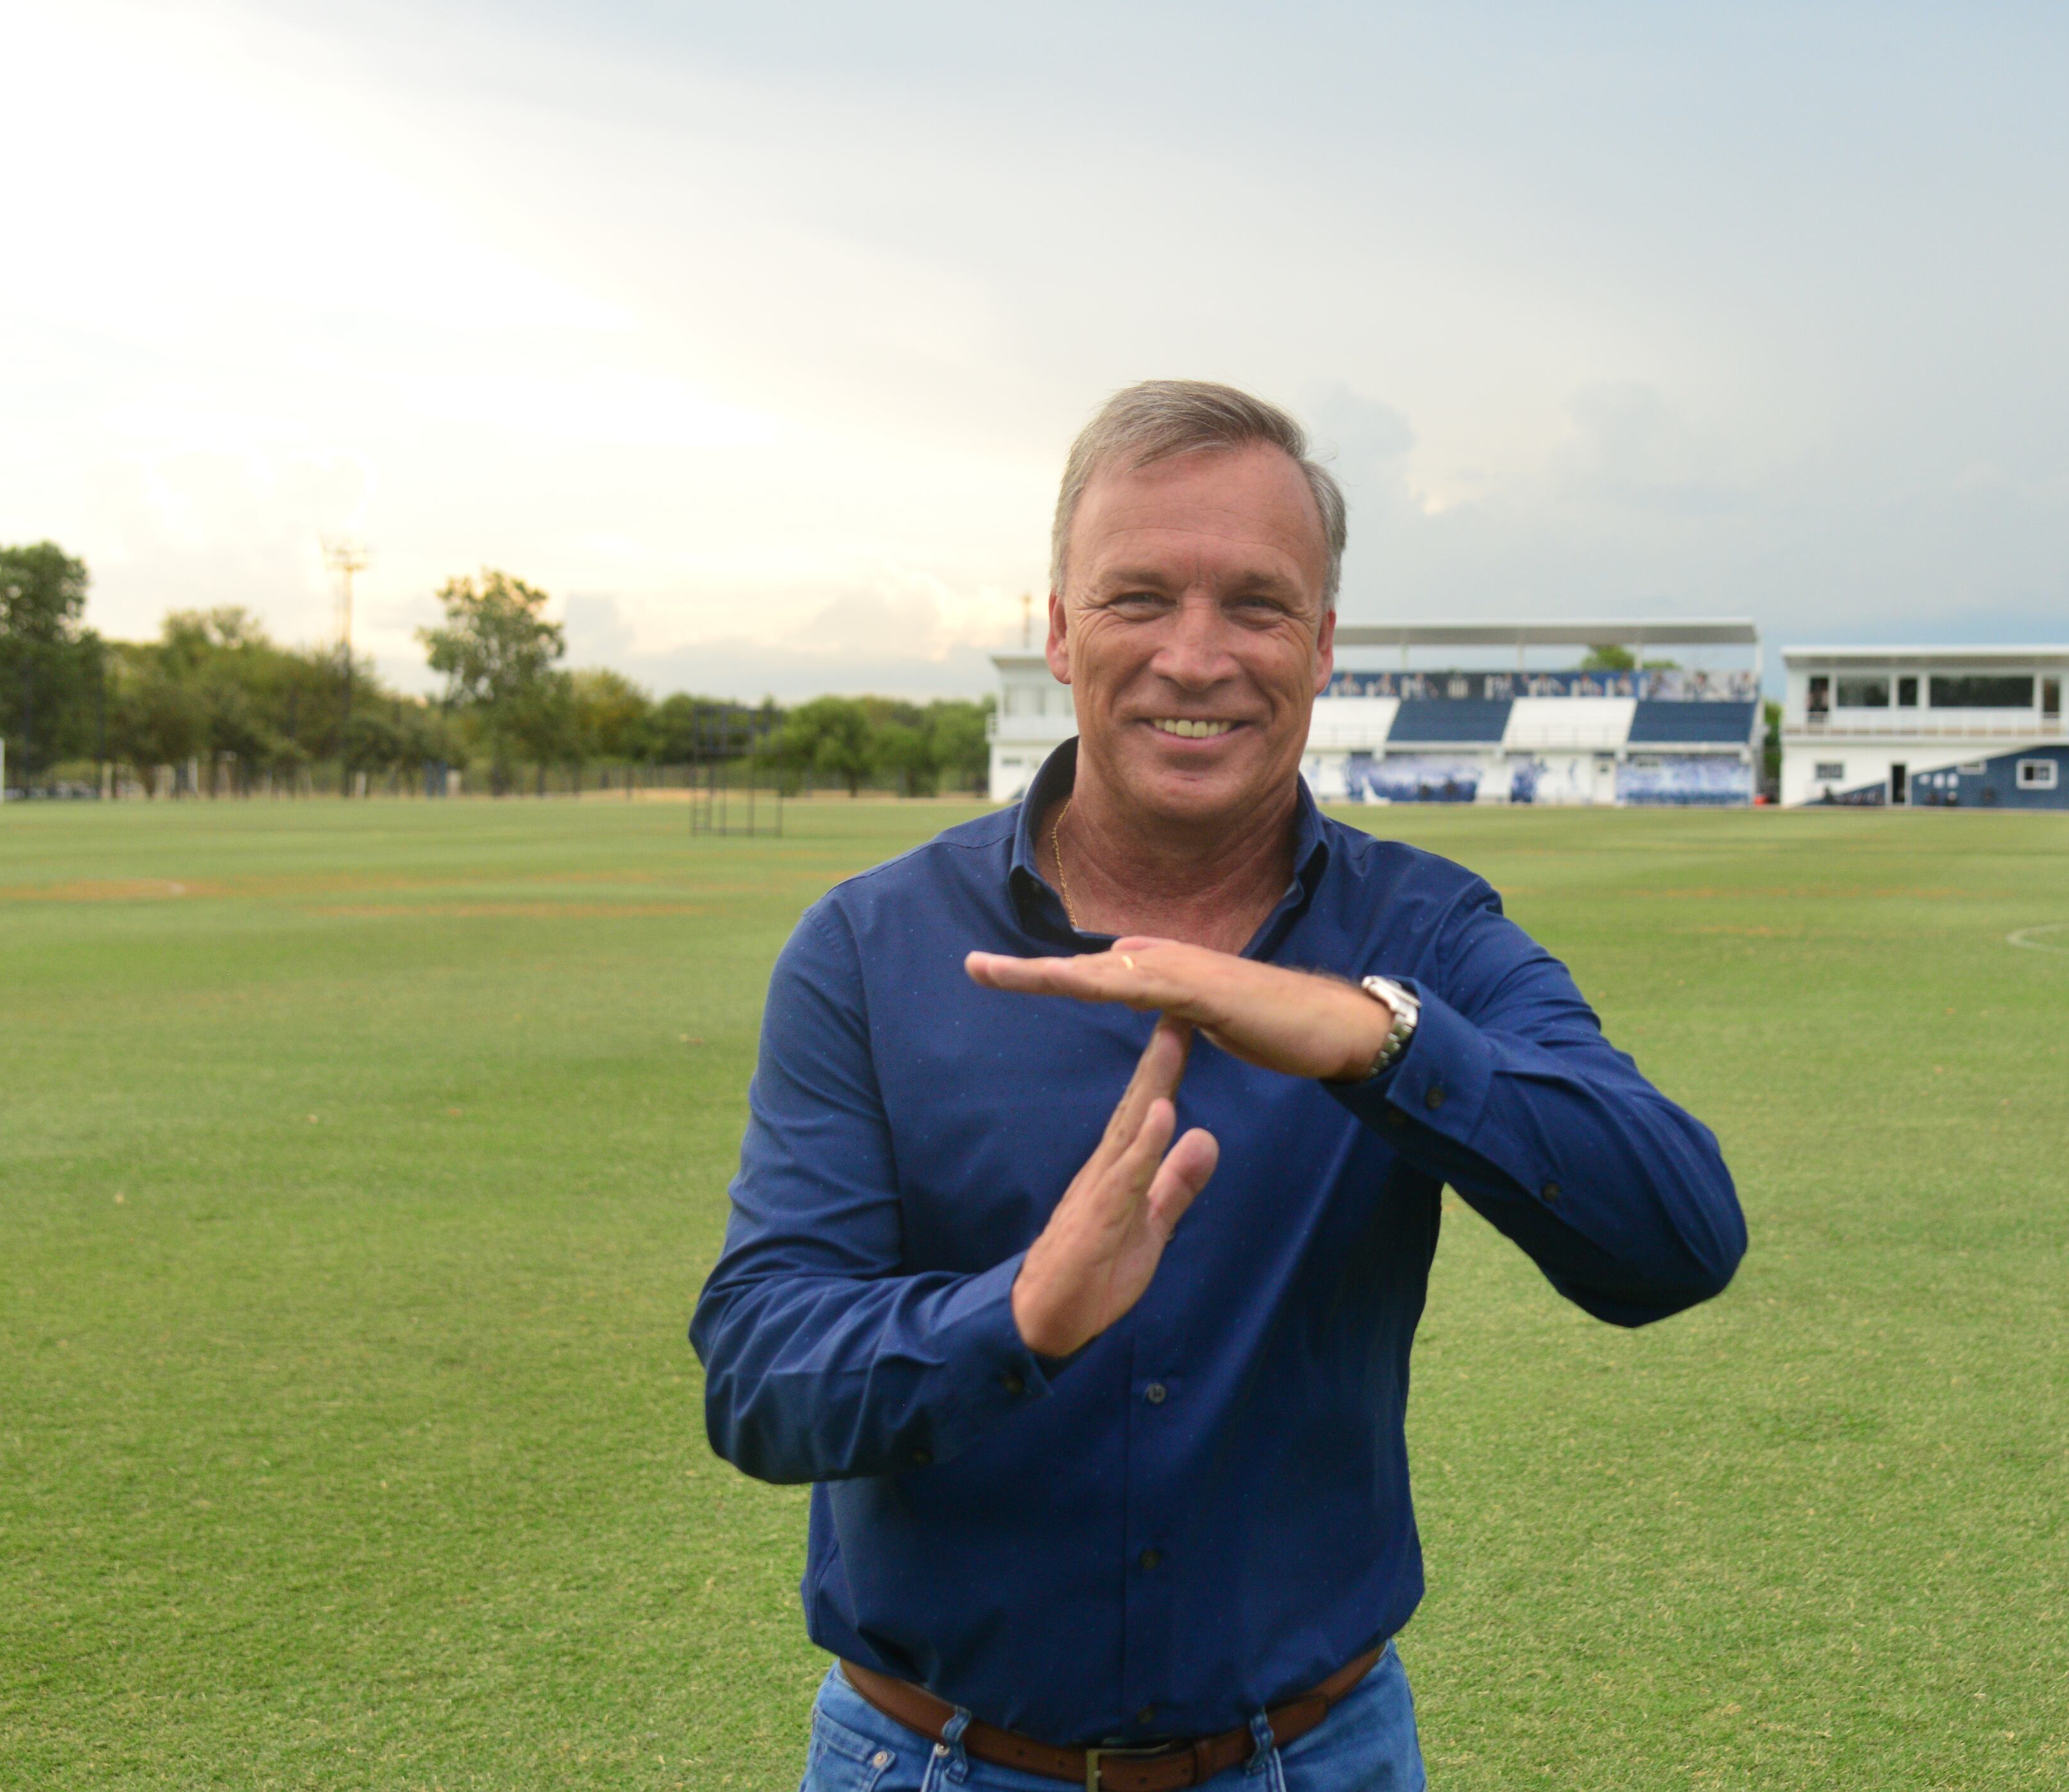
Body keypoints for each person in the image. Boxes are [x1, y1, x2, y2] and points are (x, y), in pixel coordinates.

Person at [691, 380, 1748, 1791]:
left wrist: (1370, 1037)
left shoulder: (1422, 937)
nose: (1197, 657)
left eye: (1255, 605)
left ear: (1320, 647)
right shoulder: (872, 946)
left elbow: (1674, 1239)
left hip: (1313, 1759)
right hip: (934, 1761)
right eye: (1138, 598)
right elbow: (760, 1369)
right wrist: (1015, 1317)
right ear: (1060, 629)